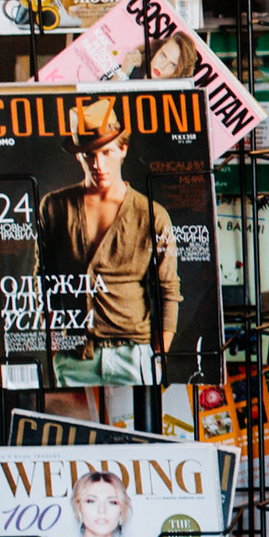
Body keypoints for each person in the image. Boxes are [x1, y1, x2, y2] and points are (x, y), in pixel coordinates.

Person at [38, 101, 179, 378]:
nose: (98, 164)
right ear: (78, 156)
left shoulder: (151, 214)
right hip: (72, 358)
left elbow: (168, 290)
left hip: (133, 355)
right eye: (88, 155)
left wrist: (158, 356)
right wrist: (52, 342)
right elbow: (42, 279)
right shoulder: (54, 207)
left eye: (106, 152)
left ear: (123, 149)